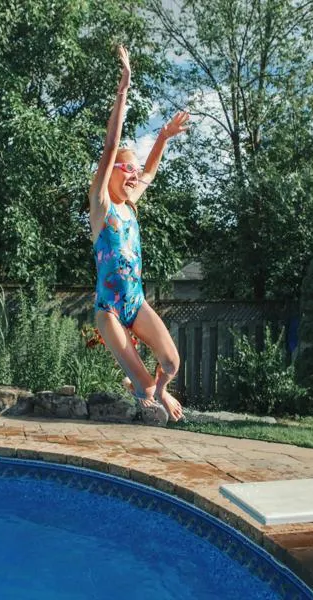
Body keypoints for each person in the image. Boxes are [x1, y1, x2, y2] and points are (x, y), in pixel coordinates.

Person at [88, 45, 189, 424]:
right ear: (110, 171)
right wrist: (123, 88)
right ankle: (146, 390)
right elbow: (111, 145)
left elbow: (150, 171)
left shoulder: (131, 204)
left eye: (133, 171)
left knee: (171, 363)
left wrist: (162, 136)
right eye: (125, 169)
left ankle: (159, 390)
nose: (133, 174)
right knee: (144, 388)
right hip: (110, 310)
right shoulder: (102, 205)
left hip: (136, 303)